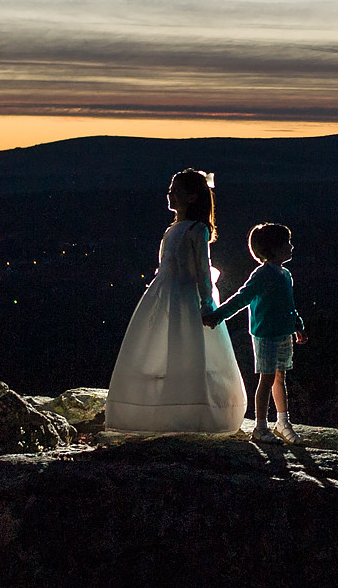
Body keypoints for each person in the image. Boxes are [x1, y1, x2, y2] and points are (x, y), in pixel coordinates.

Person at [103, 169, 249, 433]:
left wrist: (207, 304)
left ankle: (190, 409)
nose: (170, 194)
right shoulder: (174, 229)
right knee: (164, 346)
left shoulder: (197, 229)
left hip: (185, 297)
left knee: (189, 349)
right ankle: (165, 408)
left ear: (192, 197)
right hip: (166, 294)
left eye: (176, 190)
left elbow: (203, 270)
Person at [205, 222, 306, 442]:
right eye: (286, 243)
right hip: (266, 336)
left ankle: (282, 422)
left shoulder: (285, 275)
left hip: (283, 334)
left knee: (280, 377)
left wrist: (298, 326)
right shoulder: (261, 275)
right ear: (274, 248)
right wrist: (218, 315)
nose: (291, 247)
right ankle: (261, 427)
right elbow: (242, 298)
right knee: (267, 378)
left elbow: (289, 304)